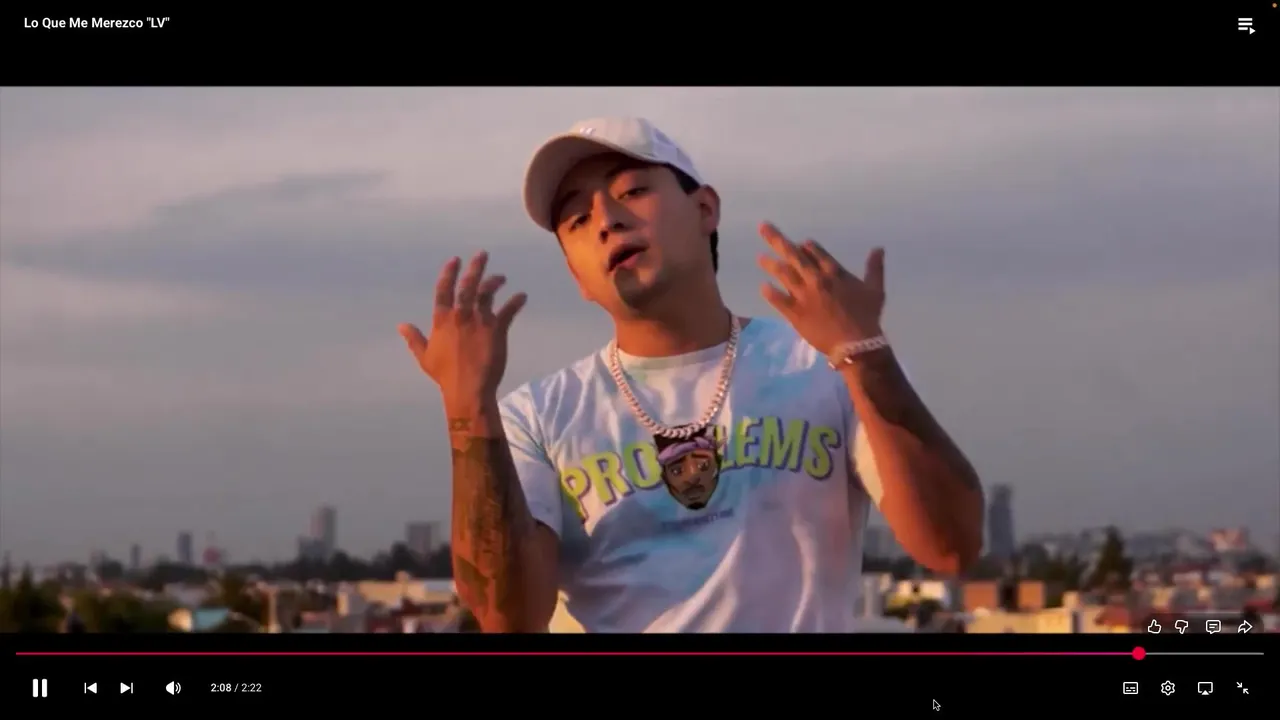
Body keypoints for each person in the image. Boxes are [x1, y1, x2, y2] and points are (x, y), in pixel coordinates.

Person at [399, 117, 984, 632]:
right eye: (577, 219)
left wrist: (867, 357)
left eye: (632, 191)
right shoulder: (538, 417)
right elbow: (508, 619)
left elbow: (951, 546)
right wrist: (467, 406)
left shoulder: (825, 363)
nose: (606, 221)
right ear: (577, 277)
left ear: (705, 209)